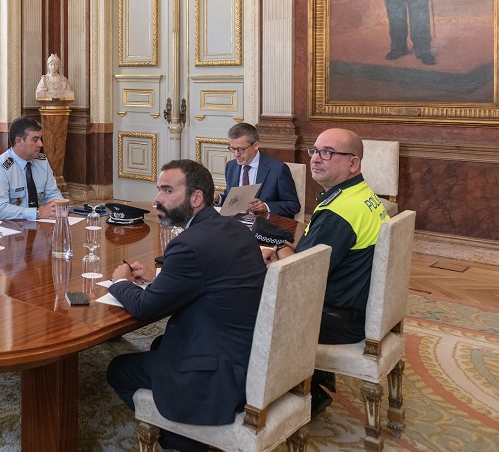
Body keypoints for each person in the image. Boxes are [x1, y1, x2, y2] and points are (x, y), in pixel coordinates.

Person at [106, 159, 266, 452]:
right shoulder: (235, 230)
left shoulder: (188, 244)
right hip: (249, 355)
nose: (157, 199)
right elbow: (211, 277)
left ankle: (181, 438)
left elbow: (145, 309)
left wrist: (120, 284)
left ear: (196, 197)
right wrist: (160, 277)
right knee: (159, 345)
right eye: (158, 190)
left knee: (118, 369)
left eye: (168, 191)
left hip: (218, 376)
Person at [266, 128, 388, 416]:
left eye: (328, 153)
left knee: (242, 308)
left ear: (353, 163)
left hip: (335, 317)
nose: (316, 159)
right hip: (353, 305)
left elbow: (300, 278)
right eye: (315, 151)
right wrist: (282, 248)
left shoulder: (339, 212)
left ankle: (300, 396)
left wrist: (270, 254)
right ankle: (311, 378)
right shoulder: (360, 194)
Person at [0, 116, 63, 222]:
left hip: (32, 225)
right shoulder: (0, 167)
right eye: (35, 140)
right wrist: (37, 213)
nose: (40, 144)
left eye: (40, 139)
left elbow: (53, 193)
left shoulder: (42, 161)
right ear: (19, 141)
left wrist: (56, 207)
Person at [215, 122, 301, 218]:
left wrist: (265, 207)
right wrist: (218, 198)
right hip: (236, 224)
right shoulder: (231, 166)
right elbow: (232, 200)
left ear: (255, 145)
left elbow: (293, 205)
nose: (236, 154)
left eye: (241, 149)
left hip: (264, 226)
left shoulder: (278, 169)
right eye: (232, 149)